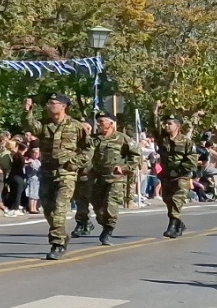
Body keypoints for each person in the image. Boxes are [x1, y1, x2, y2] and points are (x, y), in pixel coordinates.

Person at [24, 94, 91, 259]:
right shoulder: (44, 125)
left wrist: (75, 163)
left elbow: (88, 148)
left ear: (63, 106)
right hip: (47, 172)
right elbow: (30, 126)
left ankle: (57, 243)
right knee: (48, 210)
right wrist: (27, 111)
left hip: (66, 173)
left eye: (53, 103)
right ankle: (61, 235)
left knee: (60, 209)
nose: (49, 106)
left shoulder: (75, 126)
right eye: (48, 103)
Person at [83, 114, 142, 245]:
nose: (98, 124)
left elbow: (137, 156)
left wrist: (125, 167)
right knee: (98, 208)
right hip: (97, 177)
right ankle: (105, 224)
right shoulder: (93, 139)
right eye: (98, 122)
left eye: (102, 122)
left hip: (115, 178)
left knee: (111, 205)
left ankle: (108, 230)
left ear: (111, 124)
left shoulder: (122, 139)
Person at [156, 116, 197, 238]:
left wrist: (178, 170)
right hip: (166, 175)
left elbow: (192, 161)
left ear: (177, 126)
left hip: (181, 176)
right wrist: (155, 111)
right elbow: (155, 125)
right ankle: (179, 224)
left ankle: (172, 225)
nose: (166, 126)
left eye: (169, 124)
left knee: (176, 199)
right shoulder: (162, 139)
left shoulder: (187, 142)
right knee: (167, 199)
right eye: (165, 123)